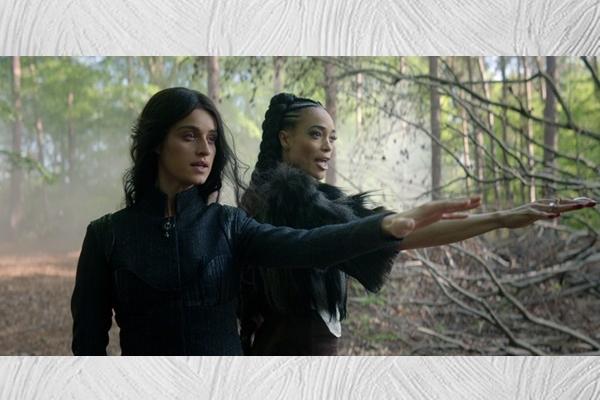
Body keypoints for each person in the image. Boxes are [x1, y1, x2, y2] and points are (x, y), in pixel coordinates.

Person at [70, 87, 482, 356]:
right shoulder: (107, 236)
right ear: (157, 143)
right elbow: (87, 346)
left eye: (212, 139)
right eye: (189, 135)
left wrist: (382, 227)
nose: (205, 150)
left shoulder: (229, 225)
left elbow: (307, 245)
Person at [239, 92, 597, 355]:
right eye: (316, 134)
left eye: (332, 137)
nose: (328, 147)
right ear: (285, 138)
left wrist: (501, 217)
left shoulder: (302, 201)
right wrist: (500, 218)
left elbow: (398, 231)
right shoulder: (289, 200)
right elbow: (398, 234)